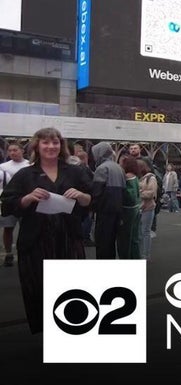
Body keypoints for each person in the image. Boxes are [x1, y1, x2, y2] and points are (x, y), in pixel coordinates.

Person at [0, 128, 92, 333]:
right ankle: (48, 331)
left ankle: (71, 327)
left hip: (69, 238)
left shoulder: (75, 172)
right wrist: (27, 198)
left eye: (55, 143)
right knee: (40, 288)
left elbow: (92, 199)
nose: (51, 147)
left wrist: (82, 196)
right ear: (37, 146)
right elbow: (7, 204)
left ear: (62, 146)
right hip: (36, 241)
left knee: (71, 288)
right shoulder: (26, 174)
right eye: (46, 143)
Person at [90, 142, 126, 259]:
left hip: (104, 210)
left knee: (102, 242)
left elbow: (97, 192)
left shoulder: (102, 168)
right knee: (111, 242)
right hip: (117, 210)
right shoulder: (119, 168)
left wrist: (92, 208)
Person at [0, 142, 31, 266]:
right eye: (10, 150)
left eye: (15, 150)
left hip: (26, 201)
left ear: (22, 151)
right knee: (8, 228)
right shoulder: (3, 167)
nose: (13, 153)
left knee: (27, 228)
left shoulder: (30, 165)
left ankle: (26, 253)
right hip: (9, 201)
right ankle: (8, 254)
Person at [117, 157, 142, 259]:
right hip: (136, 209)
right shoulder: (135, 177)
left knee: (125, 239)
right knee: (134, 238)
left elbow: (129, 196)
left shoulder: (127, 177)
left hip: (127, 211)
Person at [138, 160, 158, 259]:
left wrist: (139, 193)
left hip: (148, 207)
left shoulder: (151, 178)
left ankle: (146, 254)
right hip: (139, 207)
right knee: (139, 232)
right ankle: (140, 252)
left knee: (145, 231)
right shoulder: (137, 178)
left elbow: (151, 193)